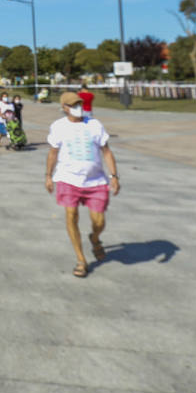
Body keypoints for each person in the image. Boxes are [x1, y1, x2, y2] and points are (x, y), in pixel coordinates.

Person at [44, 91, 120, 277]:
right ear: (64, 108)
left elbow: (107, 152)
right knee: (71, 215)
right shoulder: (58, 127)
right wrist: (48, 175)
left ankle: (95, 238)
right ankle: (81, 259)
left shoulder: (94, 125)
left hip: (95, 181)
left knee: (99, 221)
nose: (77, 108)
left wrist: (114, 176)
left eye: (79, 104)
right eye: (73, 105)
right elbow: (53, 153)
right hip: (68, 179)